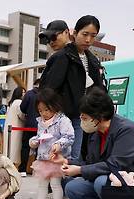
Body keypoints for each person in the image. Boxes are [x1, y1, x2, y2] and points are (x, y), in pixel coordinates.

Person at [63, 89, 134, 199]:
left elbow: (115, 164)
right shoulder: (93, 131)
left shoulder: (126, 129)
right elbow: (88, 161)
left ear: (98, 117)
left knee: (102, 182)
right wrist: (66, 162)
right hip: (110, 177)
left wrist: (79, 170)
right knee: (73, 188)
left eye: (84, 117)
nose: (82, 120)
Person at [40, 15, 104, 162]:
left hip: (83, 116)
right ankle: (62, 185)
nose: (88, 40)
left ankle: (68, 184)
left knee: (74, 157)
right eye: (84, 34)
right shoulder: (62, 57)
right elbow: (49, 88)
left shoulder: (92, 60)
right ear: (74, 33)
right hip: (65, 117)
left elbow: (97, 89)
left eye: (92, 36)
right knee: (64, 157)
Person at [28, 89, 74, 199]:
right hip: (43, 159)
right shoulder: (41, 121)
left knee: (55, 184)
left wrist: (59, 144)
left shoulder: (63, 120)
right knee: (42, 183)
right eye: (40, 110)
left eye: (46, 110)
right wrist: (33, 142)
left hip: (56, 159)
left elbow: (69, 137)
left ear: (55, 106)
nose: (43, 113)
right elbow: (39, 136)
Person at [19, 79, 40, 176]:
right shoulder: (44, 94)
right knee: (39, 148)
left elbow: (22, 108)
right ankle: (36, 169)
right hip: (41, 125)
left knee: (25, 147)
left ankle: (23, 169)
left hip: (29, 124)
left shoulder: (29, 94)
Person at [3, 87, 25, 166]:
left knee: (8, 147)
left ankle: (8, 162)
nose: (24, 94)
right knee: (15, 147)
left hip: (9, 127)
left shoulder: (11, 102)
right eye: (23, 92)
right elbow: (21, 115)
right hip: (16, 127)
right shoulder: (19, 102)